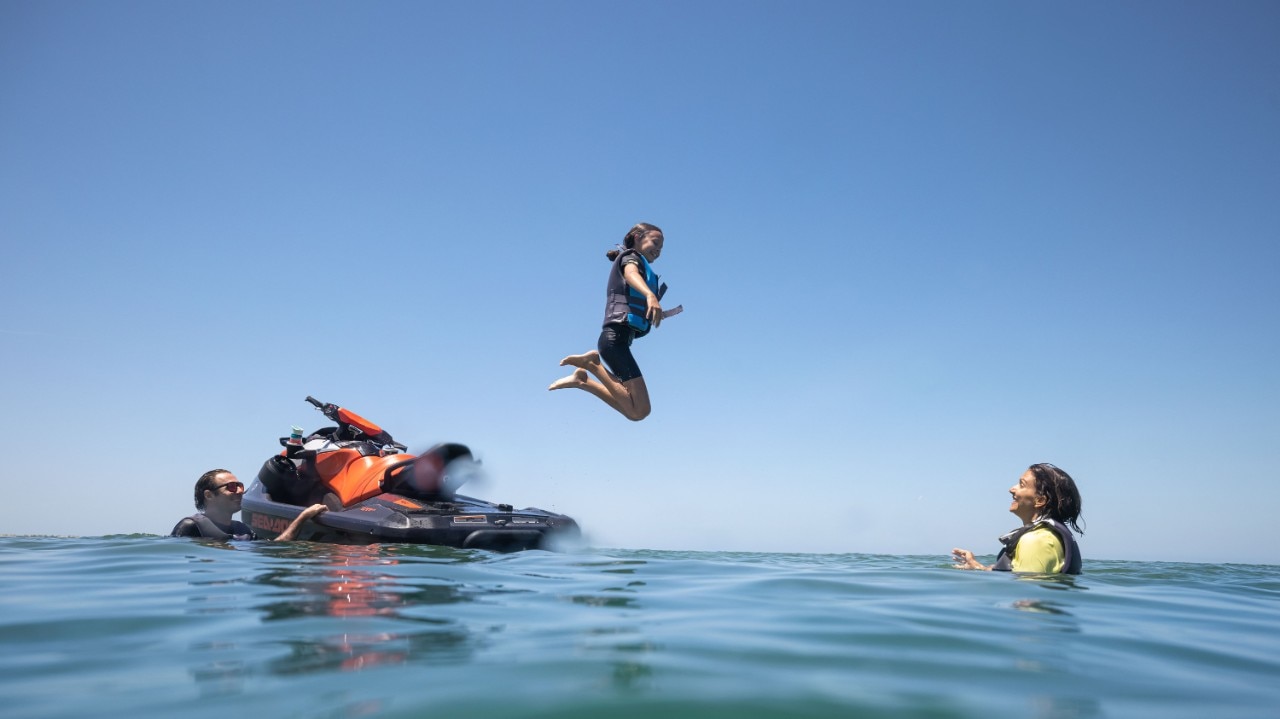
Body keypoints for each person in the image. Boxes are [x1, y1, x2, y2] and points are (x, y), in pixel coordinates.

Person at [550, 222, 671, 421]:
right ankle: (592, 364)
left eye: (661, 248)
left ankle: (583, 382)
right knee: (640, 410)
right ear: (638, 237)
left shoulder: (639, 263)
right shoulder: (631, 259)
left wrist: (653, 310)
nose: (658, 250)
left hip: (618, 342)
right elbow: (631, 275)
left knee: (637, 411)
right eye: (655, 243)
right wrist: (650, 295)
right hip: (613, 342)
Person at [952, 463, 1084, 574]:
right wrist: (977, 566)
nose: (1011, 489)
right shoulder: (1044, 536)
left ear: (1040, 500)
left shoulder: (1036, 541)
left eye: (1022, 484)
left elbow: (1029, 597)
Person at [170, 468, 327, 541]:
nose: (239, 491)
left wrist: (303, 517)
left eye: (240, 486)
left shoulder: (242, 529)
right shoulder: (190, 526)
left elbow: (275, 548)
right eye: (231, 487)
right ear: (209, 495)